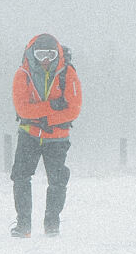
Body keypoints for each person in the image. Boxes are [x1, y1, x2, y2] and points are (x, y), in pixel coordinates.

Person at [10, 33, 82, 236]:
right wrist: (52, 107)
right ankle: (23, 225)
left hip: (57, 138)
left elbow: (74, 109)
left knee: (57, 180)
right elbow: (22, 109)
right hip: (29, 135)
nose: (45, 59)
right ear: (32, 53)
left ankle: (52, 225)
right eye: (41, 54)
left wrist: (45, 119)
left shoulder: (67, 73)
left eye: (50, 54)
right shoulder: (22, 73)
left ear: (57, 53)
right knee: (21, 177)